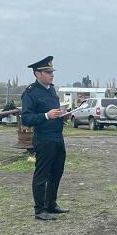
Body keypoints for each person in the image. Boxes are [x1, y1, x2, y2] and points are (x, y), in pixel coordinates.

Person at [21, 56, 69, 221]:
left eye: (52, 72)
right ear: (37, 73)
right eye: (48, 72)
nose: (51, 75)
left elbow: (54, 112)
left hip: (57, 137)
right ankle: (39, 209)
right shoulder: (30, 93)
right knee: (42, 175)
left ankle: (51, 204)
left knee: (57, 172)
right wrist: (46, 116)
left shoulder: (51, 90)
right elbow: (26, 118)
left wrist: (62, 115)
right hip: (43, 139)